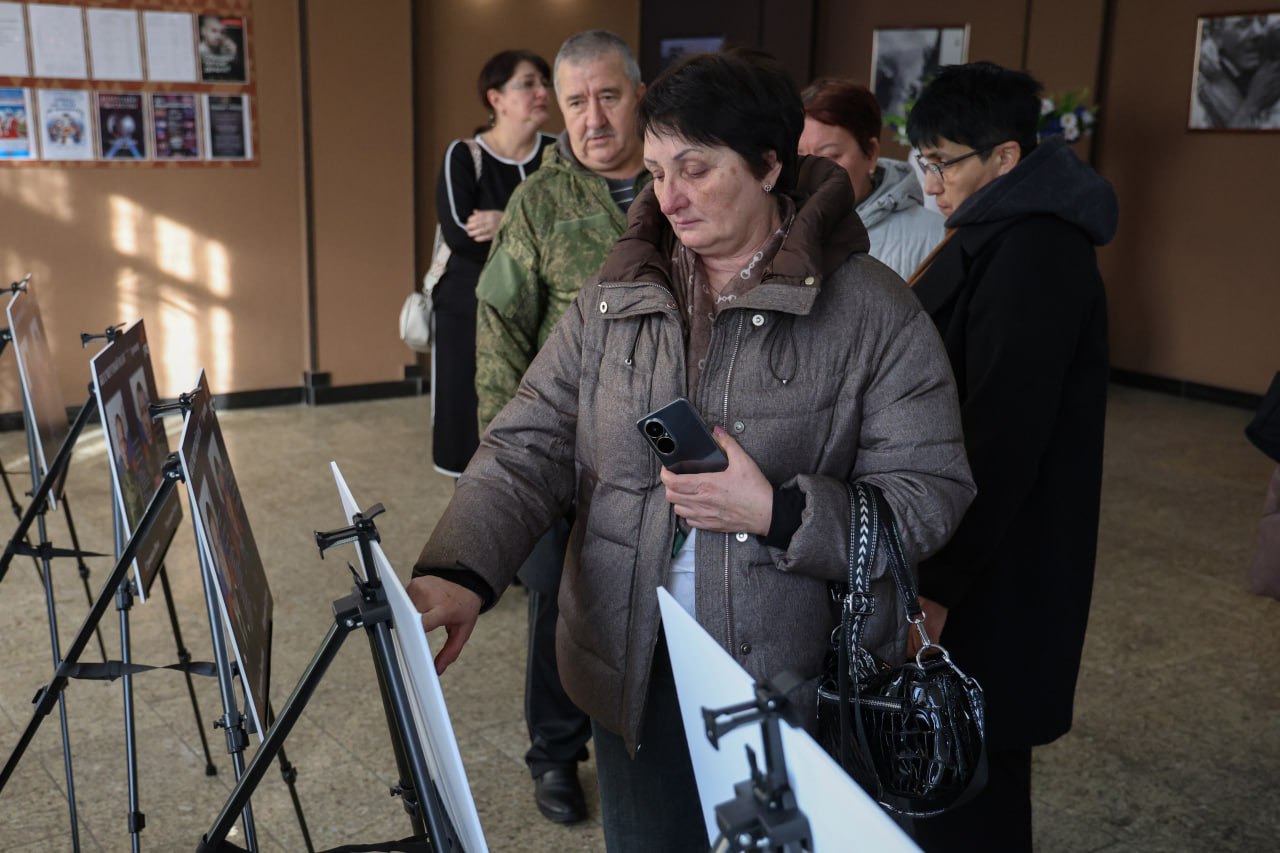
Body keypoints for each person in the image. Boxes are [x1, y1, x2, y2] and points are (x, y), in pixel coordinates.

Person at [409, 49, 975, 851]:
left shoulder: (869, 309)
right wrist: (461, 569)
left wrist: (780, 512)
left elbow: (930, 490)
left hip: (794, 680)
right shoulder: (618, 295)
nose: (667, 197)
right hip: (632, 664)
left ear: (770, 165)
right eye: (655, 171)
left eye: (696, 170)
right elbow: (525, 442)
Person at [904, 62, 1118, 851]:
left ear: (1005, 157)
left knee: (976, 768)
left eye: (945, 162)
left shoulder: (1037, 251)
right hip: (975, 545)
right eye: (923, 161)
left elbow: (1000, 435)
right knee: (954, 758)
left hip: (996, 557)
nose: (932, 185)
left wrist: (937, 583)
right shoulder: (997, 229)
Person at [467, 29, 650, 825]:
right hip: (567, 452)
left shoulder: (682, 183)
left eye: (608, 96)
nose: (593, 118)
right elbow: (500, 330)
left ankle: (652, 744)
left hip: (667, 451)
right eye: (575, 102)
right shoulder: (539, 203)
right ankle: (554, 754)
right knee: (557, 604)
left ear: (639, 95)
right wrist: (506, 461)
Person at [430, 49, 556, 478]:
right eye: (528, 83)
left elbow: (574, 231)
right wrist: (538, 234)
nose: (542, 92)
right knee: (466, 424)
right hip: (470, 308)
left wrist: (504, 221)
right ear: (496, 98)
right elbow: (461, 236)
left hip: (544, 309)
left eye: (545, 83)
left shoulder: (558, 154)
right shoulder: (465, 156)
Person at [799, 78, 944, 279]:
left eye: (831, 156)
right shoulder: (776, 228)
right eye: (800, 156)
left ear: (871, 153)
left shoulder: (934, 236)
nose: (812, 170)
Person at [1191, 14, 1280, 129]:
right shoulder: (1199, 90)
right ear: (1217, 36)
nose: (1259, 32)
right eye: (1243, 24)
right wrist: (1252, 104)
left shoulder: (1271, 65)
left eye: (1263, 22)